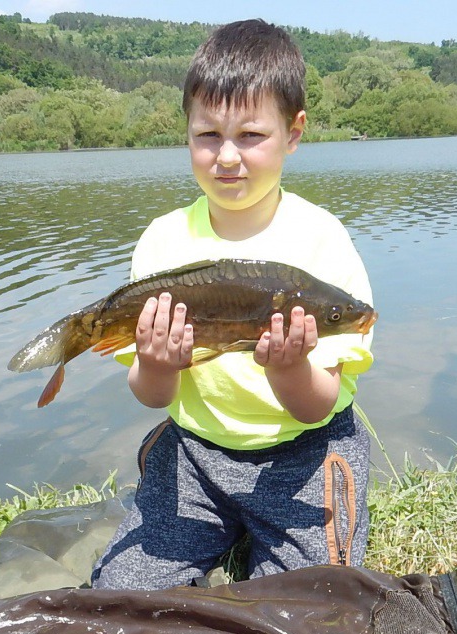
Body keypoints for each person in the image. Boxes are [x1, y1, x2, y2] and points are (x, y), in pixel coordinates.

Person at [91, 18, 375, 590]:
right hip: (195, 453)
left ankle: (257, 536)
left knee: (316, 605)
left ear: (294, 134)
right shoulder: (163, 241)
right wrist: (156, 363)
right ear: (186, 134)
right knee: (122, 593)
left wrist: (290, 367)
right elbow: (151, 396)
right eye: (208, 136)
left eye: (251, 135)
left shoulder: (322, 243)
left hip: (303, 454)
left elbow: (315, 408)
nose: (227, 157)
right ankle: (222, 525)